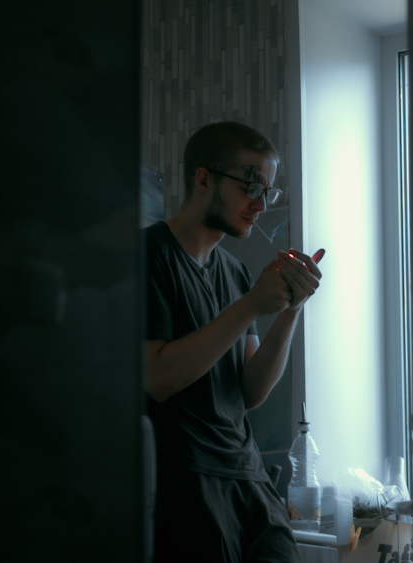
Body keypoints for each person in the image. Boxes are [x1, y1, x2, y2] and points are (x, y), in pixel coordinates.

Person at [143, 121, 323, 563]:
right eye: (250, 185)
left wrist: (289, 308)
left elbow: (250, 393)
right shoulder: (149, 255)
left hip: (250, 476)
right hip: (185, 478)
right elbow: (158, 377)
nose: (260, 204)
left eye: (268, 191)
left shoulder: (235, 272)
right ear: (203, 179)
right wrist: (247, 306)